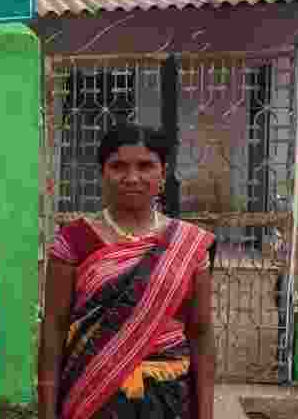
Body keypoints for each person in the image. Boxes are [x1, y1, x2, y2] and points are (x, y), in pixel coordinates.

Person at [38, 124, 215, 419]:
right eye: (118, 166)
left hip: (170, 399)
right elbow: (54, 328)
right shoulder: (74, 240)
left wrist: (205, 412)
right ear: (102, 172)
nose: (132, 177)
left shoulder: (188, 244)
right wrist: (46, 410)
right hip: (91, 395)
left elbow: (201, 332)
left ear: (163, 172)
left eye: (146, 166)